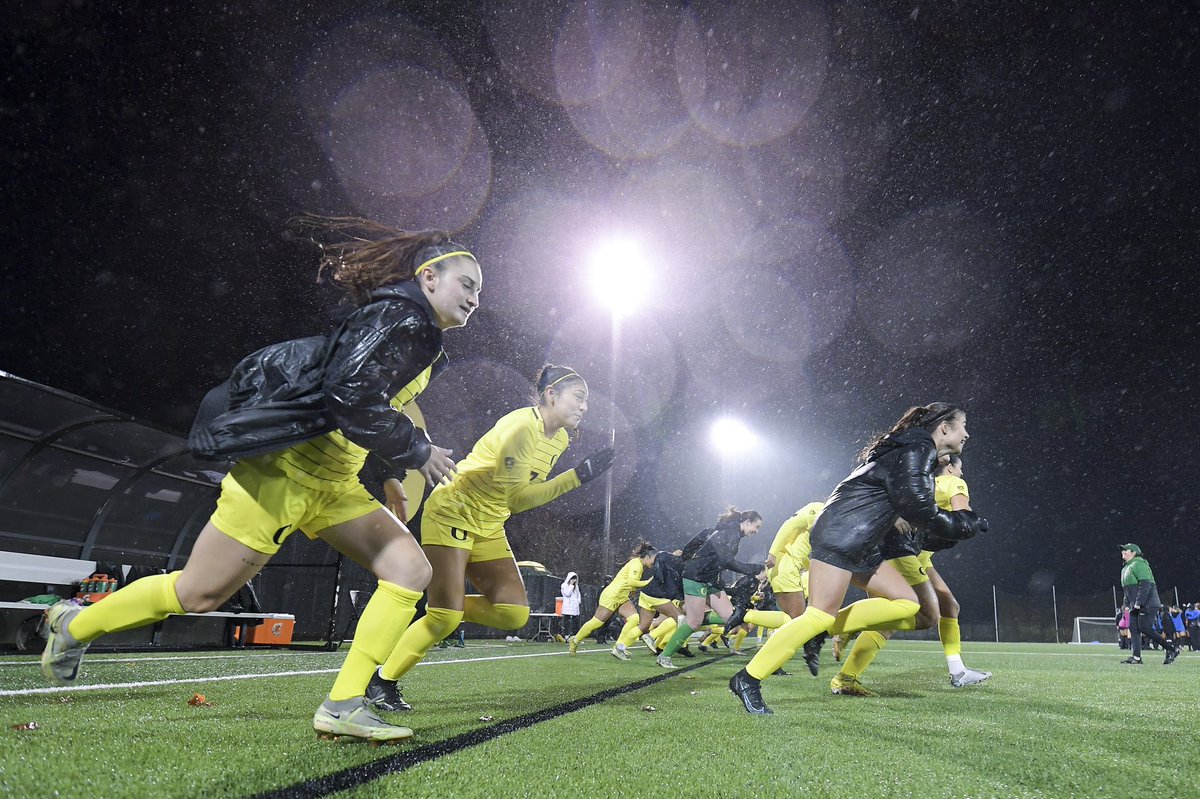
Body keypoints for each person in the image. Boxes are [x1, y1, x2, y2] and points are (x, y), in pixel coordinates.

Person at [41, 216, 482, 742]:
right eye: (468, 284)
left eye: (479, 292)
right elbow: (347, 393)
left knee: (409, 570)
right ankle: (73, 625)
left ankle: (343, 706)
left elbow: (372, 404)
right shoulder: (396, 316)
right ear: (429, 278)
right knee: (199, 594)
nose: (475, 299)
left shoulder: (422, 340)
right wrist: (415, 450)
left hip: (334, 485)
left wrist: (388, 472)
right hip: (283, 475)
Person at [365, 364, 614, 712]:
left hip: (489, 522)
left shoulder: (558, 439)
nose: (584, 406)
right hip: (453, 509)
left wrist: (575, 475)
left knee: (513, 614)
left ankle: (446, 608)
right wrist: (576, 478)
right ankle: (382, 680)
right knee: (444, 619)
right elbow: (518, 498)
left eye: (586, 400)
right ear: (551, 395)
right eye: (578, 397)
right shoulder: (520, 428)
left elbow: (513, 496)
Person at [729, 402, 987, 714]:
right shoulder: (918, 446)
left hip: (861, 538)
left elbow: (913, 517)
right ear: (944, 427)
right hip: (844, 534)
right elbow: (919, 507)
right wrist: (963, 523)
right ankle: (748, 678)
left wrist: (953, 527)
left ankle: (827, 632)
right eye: (962, 426)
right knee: (819, 616)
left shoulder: (912, 448)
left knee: (907, 604)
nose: (967, 434)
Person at [830, 454, 992, 694]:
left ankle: (958, 671)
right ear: (949, 467)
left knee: (948, 605)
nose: (962, 474)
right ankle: (842, 629)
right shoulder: (952, 483)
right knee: (922, 616)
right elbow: (963, 512)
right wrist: (975, 521)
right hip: (902, 550)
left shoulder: (920, 483)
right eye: (960, 469)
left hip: (910, 551)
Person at [658, 507, 765, 670]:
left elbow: (697, 542)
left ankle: (692, 616)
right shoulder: (730, 533)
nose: (756, 531)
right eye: (756, 527)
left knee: (732, 621)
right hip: (697, 577)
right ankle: (664, 656)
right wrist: (754, 569)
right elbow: (726, 561)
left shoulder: (731, 533)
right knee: (694, 622)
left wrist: (688, 555)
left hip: (710, 580)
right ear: (746, 522)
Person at [569, 542, 657, 659]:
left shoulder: (639, 565)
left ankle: (619, 647)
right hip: (612, 595)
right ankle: (575, 640)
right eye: (654, 560)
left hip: (621, 596)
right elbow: (632, 582)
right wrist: (648, 582)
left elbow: (629, 583)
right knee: (597, 622)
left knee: (634, 618)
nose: (654, 563)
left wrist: (633, 589)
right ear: (647, 557)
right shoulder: (637, 564)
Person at [1119, 543, 1178, 665]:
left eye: (1126, 550)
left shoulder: (1139, 563)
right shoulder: (1126, 568)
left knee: (1145, 628)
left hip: (1148, 603)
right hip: (1136, 605)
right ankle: (1136, 657)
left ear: (1134, 552)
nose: (1123, 552)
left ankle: (1171, 649)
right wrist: (1126, 604)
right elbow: (1127, 590)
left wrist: (1138, 603)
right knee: (1133, 629)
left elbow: (1145, 585)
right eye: (1122, 551)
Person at [559, 571, 582, 641]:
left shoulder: (576, 586)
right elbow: (567, 593)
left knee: (576, 622)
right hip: (567, 606)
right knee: (567, 622)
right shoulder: (564, 585)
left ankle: (575, 636)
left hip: (575, 607)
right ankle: (566, 636)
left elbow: (578, 594)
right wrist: (571, 585)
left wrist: (578, 601)